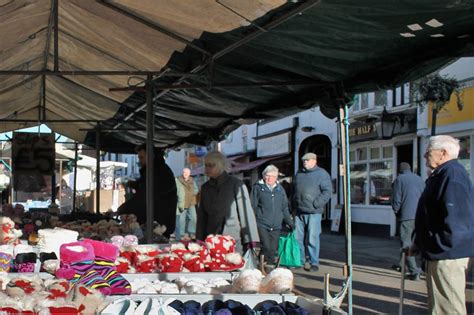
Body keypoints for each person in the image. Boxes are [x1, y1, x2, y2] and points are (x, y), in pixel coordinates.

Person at [410, 135, 473, 314]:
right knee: (440, 306)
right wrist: (419, 243)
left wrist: (438, 246)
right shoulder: (444, 174)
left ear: (443, 153)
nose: (424, 156)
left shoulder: (452, 175)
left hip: (447, 255)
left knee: (448, 308)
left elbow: (457, 219)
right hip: (443, 252)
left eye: (428, 152)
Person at [196, 151, 259, 252]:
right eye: (206, 165)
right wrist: (199, 238)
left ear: (220, 166)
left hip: (232, 237)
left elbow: (246, 212)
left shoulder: (236, 184)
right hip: (211, 238)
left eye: (211, 165)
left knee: (233, 265)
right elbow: (202, 215)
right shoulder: (205, 188)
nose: (207, 169)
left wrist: (250, 238)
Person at [118, 144, 177, 238]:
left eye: (141, 158)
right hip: (155, 222)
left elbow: (145, 196)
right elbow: (147, 189)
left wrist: (124, 209)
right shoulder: (154, 170)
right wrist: (136, 184)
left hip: (158, 225)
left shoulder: (158, 172)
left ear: (151, 157)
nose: (139, 161)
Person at [293, 152, 332, 272]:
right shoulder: (299, 173)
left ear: (314, 161)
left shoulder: (322, 174)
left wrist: (316, 204)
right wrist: (293, 206)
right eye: (304, 160)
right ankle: (300, 261)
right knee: (297, 238)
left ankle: (314, 262)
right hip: (299, 211)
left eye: (307, 160)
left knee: (312, 238)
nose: (305, 162)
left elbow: (327, 192)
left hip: (314, 212)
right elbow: (293, 191)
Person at [250, 165, 294, 266]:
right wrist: (252, 222)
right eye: (268, 176)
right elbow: (253, 206)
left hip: (276, 224)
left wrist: (290, 222)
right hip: (262, 223)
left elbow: (284, 208)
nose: (270, 178)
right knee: (266, 247)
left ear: (276, 177)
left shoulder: (280, 189)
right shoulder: (257, 187)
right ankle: (267, 268)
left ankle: (262, 265)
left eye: (273, 176)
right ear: (263, 176)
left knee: (273, 249)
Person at [391, 162, 424, 280]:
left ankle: (415, 271)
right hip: (419, 216)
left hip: (406, 216)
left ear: (399, 169)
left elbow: (396, 198)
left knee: (406, 243)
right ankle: (401, 265)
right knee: (413, 242)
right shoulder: (419, 179)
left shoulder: (399, 180)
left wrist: (396, 211)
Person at [175, 168, 198, 240]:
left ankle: (191, 232)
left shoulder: (192, 180)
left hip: (191, 202)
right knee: (182, 219)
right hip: (182, 202)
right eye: (185, 173)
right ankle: (181, 234)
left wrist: (192, 194)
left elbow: (196, 189)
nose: (186, 174)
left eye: (187, 173)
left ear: (189, 173)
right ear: (183, 173)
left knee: (193, 218)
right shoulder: (178, 180)